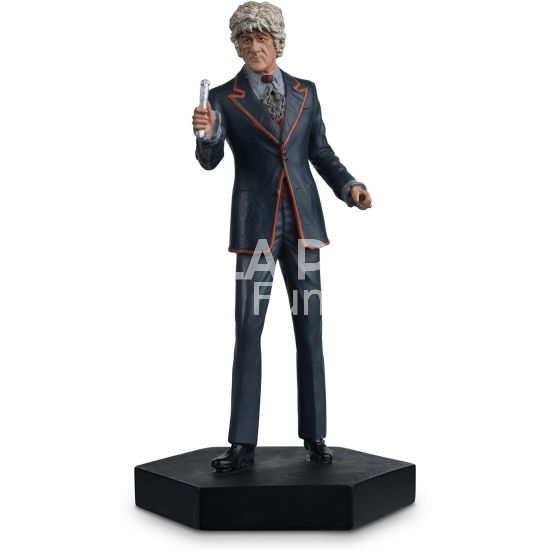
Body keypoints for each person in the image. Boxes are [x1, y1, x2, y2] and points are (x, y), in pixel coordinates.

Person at [192, 1, 372, 472]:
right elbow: (210, 162)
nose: (253, 47)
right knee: (248, 329)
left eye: (261, 38)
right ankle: (242, 443)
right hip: (257, 232)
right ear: (236, 46)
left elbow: (320, 151)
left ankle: (315, 435)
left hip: (304, 230)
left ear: (278, 43)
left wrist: (349, 186)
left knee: (309, 327)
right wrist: (207, 136)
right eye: (245, 39)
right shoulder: (225, 98)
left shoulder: (305, 92)